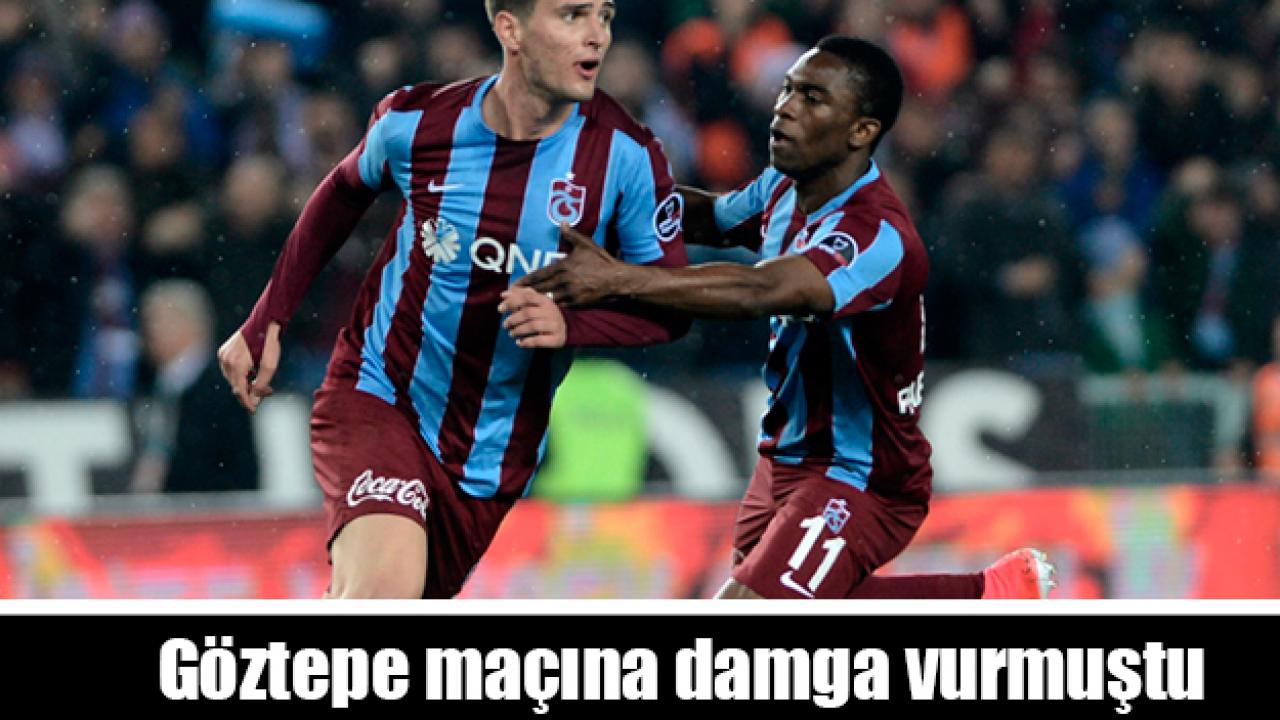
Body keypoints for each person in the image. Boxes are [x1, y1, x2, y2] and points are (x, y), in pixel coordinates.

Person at [511, 36, 1055, 599]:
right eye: (788, 89)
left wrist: (618, 278)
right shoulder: (783, 188)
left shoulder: (876, 236)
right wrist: (596, 200)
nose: (786, 107)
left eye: (812, 98)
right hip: (784, 461)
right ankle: (992, 595)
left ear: (861, 131)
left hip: (861, 476)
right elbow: (706, 218)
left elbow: (761, 289)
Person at [217, 0, 689, 598]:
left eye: (606, 16)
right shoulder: (417, 121)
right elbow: (342, 192)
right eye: (573, 16)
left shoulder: (627, 155)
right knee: (385, 592)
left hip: (490, 455)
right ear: (510, 28)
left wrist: (574, 326)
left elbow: (669, 307)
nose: (597, 36)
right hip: (381, 392)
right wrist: (268, 317)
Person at [132, 279, 259, 494]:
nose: (147, 332)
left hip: (210, 509)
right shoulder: (160, 385)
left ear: (187, 324)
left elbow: (239, 468)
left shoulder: (222, 387)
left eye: (155, 320)